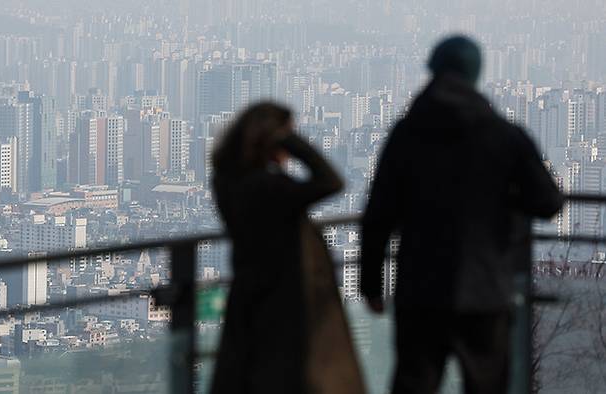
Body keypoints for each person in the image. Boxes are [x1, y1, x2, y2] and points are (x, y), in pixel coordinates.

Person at [360, 36, 564, 394]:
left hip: (420, 289)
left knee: (414, 385)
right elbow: (548, 201)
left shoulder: (407, 134)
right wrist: (503, 200)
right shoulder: (503, 135)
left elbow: (378, 216)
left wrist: (371, 286)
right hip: (485, 290)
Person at [211, 102, 365, 394]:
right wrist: (290, 141)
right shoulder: (267, 188)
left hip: (252, 297)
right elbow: (331, 182)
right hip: (287, 304)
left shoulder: (227, 181)